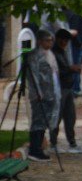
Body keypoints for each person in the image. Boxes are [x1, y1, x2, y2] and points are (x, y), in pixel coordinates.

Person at [24, 30, 59, 162]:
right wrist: (38, 92)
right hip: (40, 94)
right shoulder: (34, 56)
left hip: (51, 93)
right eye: (47, 40)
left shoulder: (50, 54)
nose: (50, 43)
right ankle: (35, 149)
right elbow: (33, 76)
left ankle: (39, 147)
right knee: (38, 122)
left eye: (51, 40)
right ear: (40, 41)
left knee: (44, 122)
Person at [51, 29, 82, 153]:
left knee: (70, 117)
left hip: (67, 87)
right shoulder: (55, 52)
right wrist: (71, 68)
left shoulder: (63, 51)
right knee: (58, 116)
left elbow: (79, 45)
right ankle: (53, 142)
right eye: (63, 40)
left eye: (67, 40)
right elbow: (58, 71)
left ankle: (72, 141)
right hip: (60, 88)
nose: (65, 42)